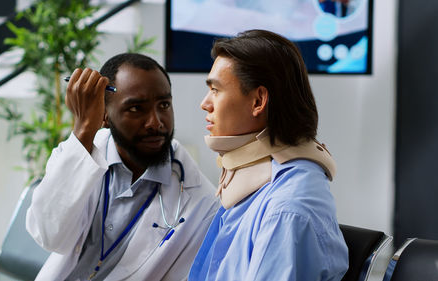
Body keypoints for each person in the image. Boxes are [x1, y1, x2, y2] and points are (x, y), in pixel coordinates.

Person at [26, 53, 219, 281]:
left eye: (164, 104)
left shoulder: (202, 203)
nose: (156, 122)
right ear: (104, 116)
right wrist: (84, 129)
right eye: (136, 108)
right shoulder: (78, 154)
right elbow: (49, 235)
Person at [188, 29, 349, 280]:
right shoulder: (259, 188)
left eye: (216, 90)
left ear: (258, 101)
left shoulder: (287, 209)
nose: (205, 103)